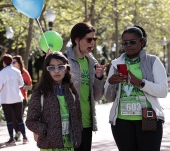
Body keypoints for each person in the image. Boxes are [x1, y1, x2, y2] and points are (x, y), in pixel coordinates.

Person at [104, 25, 168, 151]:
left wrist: (140, 83)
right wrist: (110, 82)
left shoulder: (153, 61)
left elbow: (163, 91)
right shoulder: (116, 64)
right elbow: (109, 97)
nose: (128, 45)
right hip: (122, 122)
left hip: (148, 120)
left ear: (142, 42)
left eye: (132, 42)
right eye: (125, 43)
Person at [26, 52, 82, 150]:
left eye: (60, 67)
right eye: (52, 68)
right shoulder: (40, 93)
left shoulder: (72, 91)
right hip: (49, 146)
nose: (56, 71)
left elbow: (78, 116)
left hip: (69, 146)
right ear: (47, 71)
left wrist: (78, 132)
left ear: (66, 69)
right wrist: (46, 131)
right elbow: (31, 121)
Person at [65, 22, 107, 151]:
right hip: (68, 123)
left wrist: (99, 77)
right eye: (89, 39)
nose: (92, 43)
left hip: (87, 123)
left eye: (94, 39)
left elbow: (97, 97)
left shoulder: (91, 63)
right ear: (77, 40)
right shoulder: (63, 60)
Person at [0, 54, 28, 145]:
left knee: (9, 120)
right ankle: (24, 137)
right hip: (18, 98)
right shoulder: (17, 71)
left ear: (4, 62)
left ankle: (12, 139)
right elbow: (21, 84)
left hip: (6, 99)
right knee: (20, 119)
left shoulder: (2, 73)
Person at [12, 55, 32, 141]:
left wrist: (21, 86)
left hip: (22, 99)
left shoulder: (24, 73)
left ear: (19, 63)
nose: (12, 64)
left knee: (19, 117)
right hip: (12, 98)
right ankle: (19, 133)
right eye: (11, 62)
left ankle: (20, 134)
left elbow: (30, 87)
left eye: (14, 62)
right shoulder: (11, 73)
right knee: (13, 118)